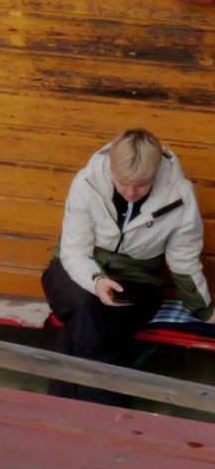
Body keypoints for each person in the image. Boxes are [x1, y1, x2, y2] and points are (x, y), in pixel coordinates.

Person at [43, 129, 210, 405]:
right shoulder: (87, 182)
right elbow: (74, 251)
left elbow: (184, 259)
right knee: (87, 305)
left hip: (137, 282)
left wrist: (203, 310)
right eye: (123, 183)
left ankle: (60, 409)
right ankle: (107, 417)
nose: (131, 193)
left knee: (86, 323)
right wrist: (97, 282)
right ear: (110, 169)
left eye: (142, 185)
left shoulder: (179, 195)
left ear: (156, 174)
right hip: (71, 271)